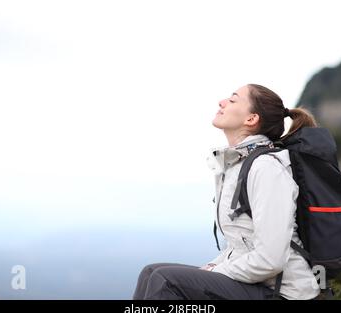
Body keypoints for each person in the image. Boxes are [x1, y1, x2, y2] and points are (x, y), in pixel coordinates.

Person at [132, 84, 321, 300]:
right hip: (257, 285)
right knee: (150, 273)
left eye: (232, 100)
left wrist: (216, 272)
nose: (222, 102)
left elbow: (271, 259)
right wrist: (213, 266)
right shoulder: (237, 164)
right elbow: (241, 246)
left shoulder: (267, 168)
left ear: (251, 119)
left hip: (284, 293)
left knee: (165, 280)